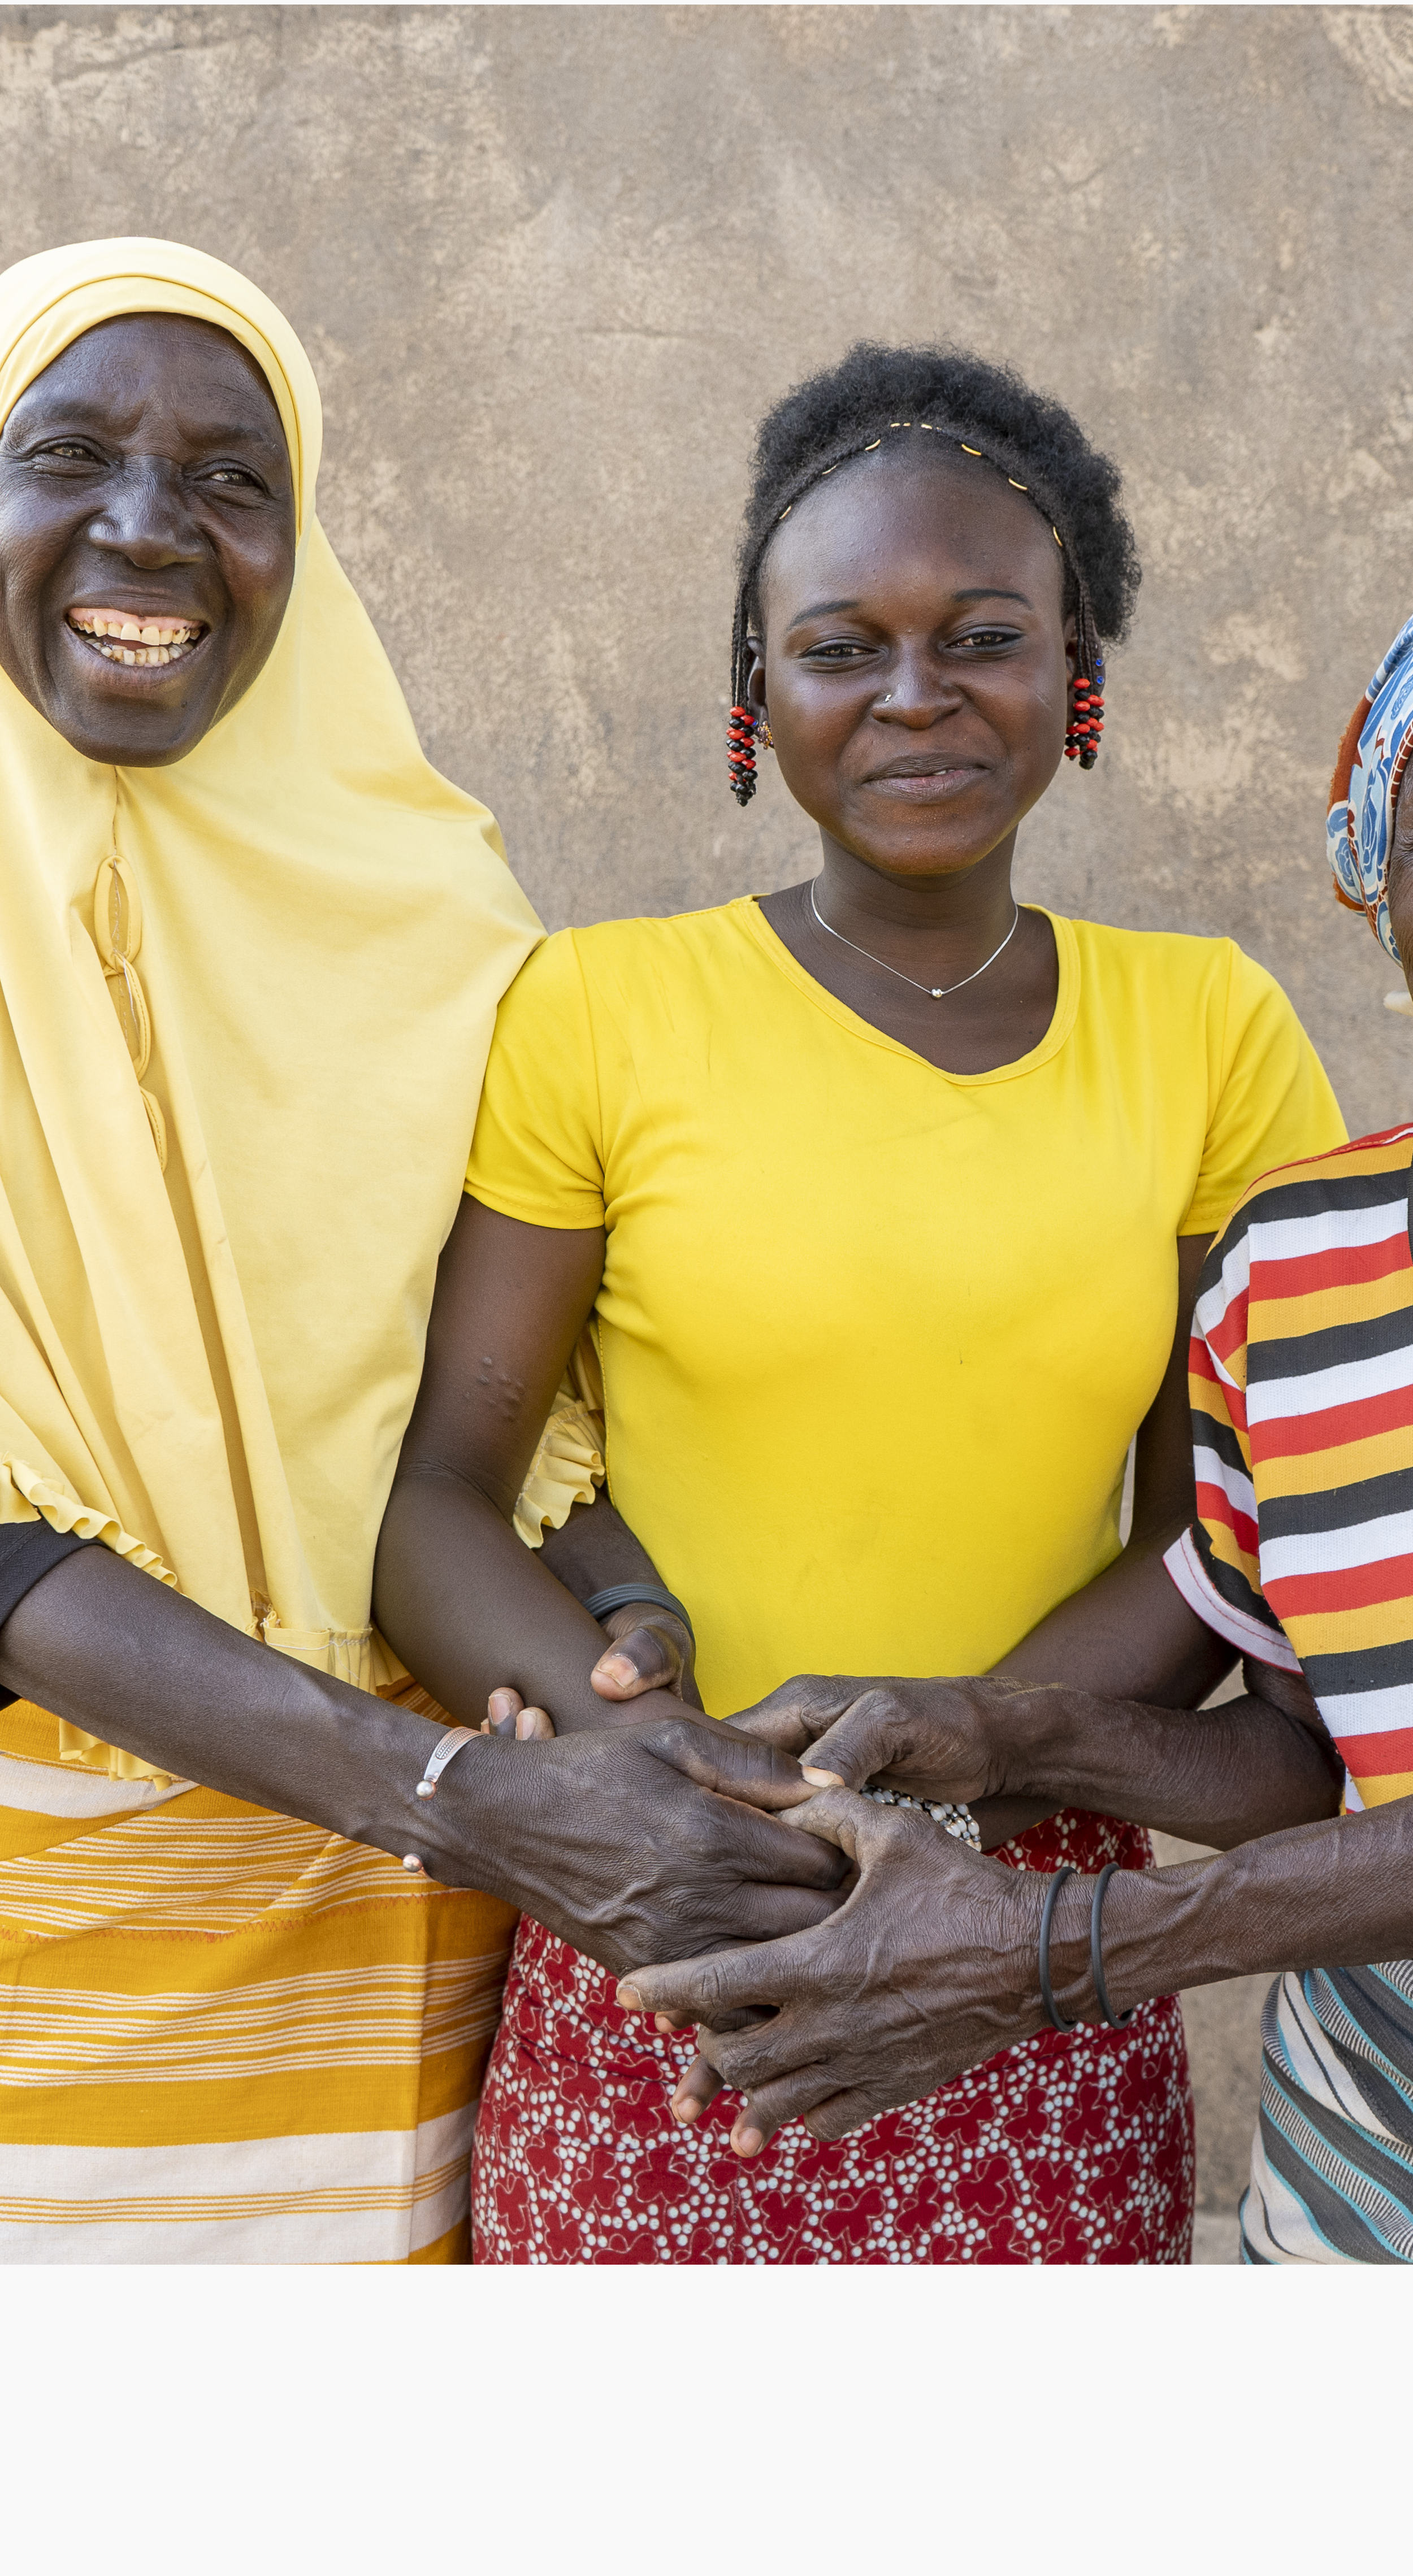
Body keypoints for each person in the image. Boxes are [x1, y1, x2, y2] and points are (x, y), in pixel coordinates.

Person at [373, 342, 1346, 2264]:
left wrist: (962, 1743)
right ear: (759, 694)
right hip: (660, 1910)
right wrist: (678, 1783)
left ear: (1077, 674)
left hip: (1027, 1935)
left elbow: (1215, 1533)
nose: (917, 695)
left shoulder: (1210, 1029)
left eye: (982, 634)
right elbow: (442, 1495)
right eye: (843, 646)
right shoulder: (600, 1009)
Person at [622, 554, 1413, 2265]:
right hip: (1382, 2176)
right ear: (1379, 883)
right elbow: (1291, 1755)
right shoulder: (1299, 1268)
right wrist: (995, 1732)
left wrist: (1058, 1945)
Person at [0, 237, 836, 2262]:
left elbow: (476, 1403)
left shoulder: (430, 901)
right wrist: (456, 1790)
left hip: (424, 1928)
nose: (150, 528)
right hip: (69, 1910)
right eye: (69, 452)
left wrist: (614, 1606)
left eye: (231, 476)